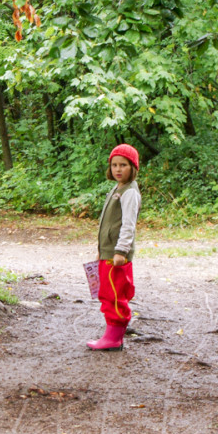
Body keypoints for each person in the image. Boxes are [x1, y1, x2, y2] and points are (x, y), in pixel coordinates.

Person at [87, 144, 142, 351]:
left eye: (124, 165)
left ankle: (114, 337)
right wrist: (101, 250)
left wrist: (121, 251)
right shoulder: (116, 189)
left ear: (133, 168)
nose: (118, 169)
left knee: (115, 293)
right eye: (114, 165)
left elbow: (128, 224)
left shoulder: (129, 193)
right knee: (106, 291)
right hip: (107, 251)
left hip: (117, 254)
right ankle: (111, 335)